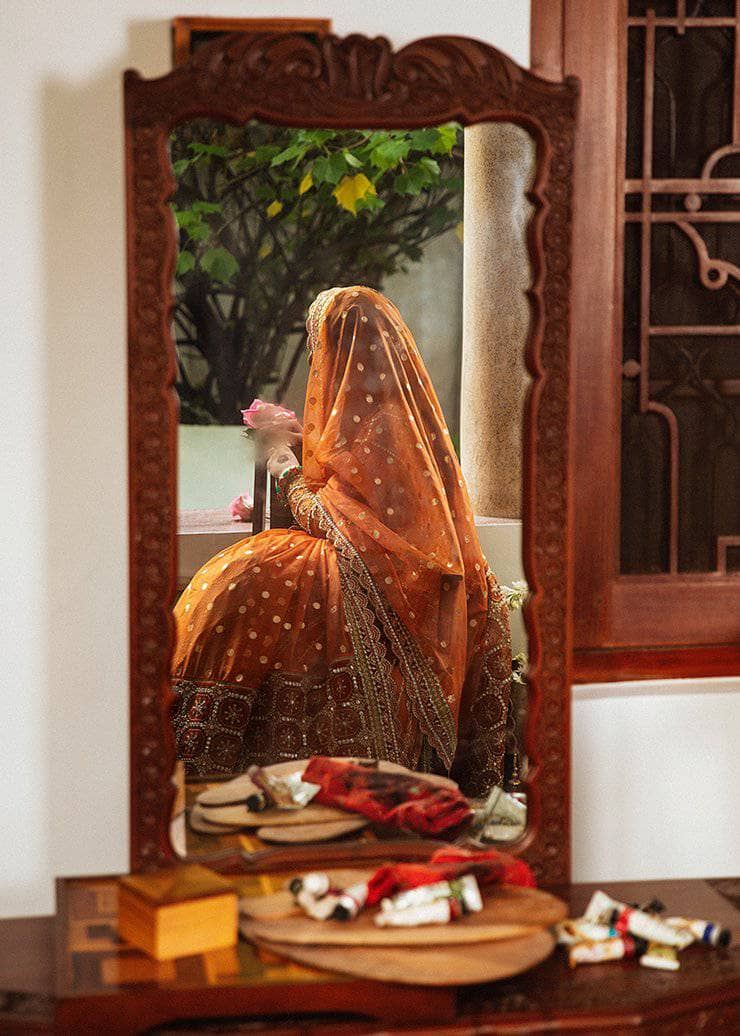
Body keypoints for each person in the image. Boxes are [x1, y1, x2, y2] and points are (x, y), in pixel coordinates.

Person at [172, 286, 511, 796]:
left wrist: (285, 468)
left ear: (344, 352)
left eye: (322, 346)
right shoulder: (397, 419)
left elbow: (341, 524)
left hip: (383, 585)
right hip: (396, 577)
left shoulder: (379, 428)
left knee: (242, 581)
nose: (317, 361)